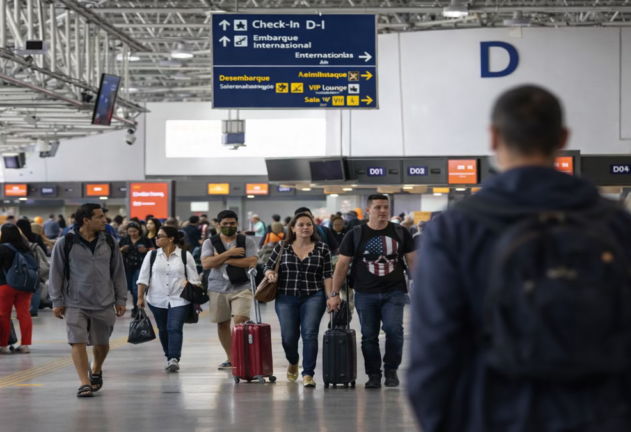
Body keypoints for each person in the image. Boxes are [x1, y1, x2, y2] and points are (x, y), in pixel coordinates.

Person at [408, 86, 631, 432]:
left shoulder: (456, 229)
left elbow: (434, 352)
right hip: (601, 414)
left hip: (492, 413)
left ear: (493, 137)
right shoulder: (615, 224)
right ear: (562, 138)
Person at [330, 194, 417, 389]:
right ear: (368, 210)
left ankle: (391, 370)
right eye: (377, 207)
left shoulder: (400, 232)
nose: (383, 211)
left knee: (394, 330)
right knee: (369, 335)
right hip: (364, 292)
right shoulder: (355, 234)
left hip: (394, 291)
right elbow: (342, 265)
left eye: (385, 207)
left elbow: (413, 261)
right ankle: (374, 374)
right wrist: (334, 294)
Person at [49, 204, 127, 398]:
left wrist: (121, 299)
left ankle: (96, 369)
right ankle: (84, 382)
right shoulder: (65, 242)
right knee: (78, 341)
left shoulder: (109, 242)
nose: (105, 220)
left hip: (104, 301)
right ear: (86, 220)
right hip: (75, 301)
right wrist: (56, 300)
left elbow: (118, 273)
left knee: (102, 343)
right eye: (100, 217)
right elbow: (56, 273)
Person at [264, 213, 332, 387]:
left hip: (313, 296)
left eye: (309, 224)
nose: (305, 228)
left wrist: (331, 296)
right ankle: (293, 361)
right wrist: (270, 274)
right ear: (292, 228)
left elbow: (327, 275)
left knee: (310, 335)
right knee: (288, 337)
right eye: (301, 225)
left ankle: (308, 373)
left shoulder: (322, 248)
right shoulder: (282, 246)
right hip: (286, 297)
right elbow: (268, 266)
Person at [137, 227, 200, 372]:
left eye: (159, 236)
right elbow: (143, 277)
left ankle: (174, 358)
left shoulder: (185, 256)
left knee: (174, 327)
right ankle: (168, 355)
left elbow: (194, 279)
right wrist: (140, 297)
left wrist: (189, 284)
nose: (156, 238)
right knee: (163, 329)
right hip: (156, 299)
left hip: (180, 299)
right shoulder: (152, 255)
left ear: (171, 238)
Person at [201, 210, 258, 369]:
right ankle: (231, 357)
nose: (228, 226)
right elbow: (206, 264)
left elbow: (252, 262)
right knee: (222, 324)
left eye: (232, 223)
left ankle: (241, 355)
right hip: (217, 287)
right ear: (218, 225)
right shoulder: (209, 242)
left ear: (237, 224)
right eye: (225, 224)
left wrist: (221, 258)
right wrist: (231, 253)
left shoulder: (246, 241)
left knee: (240, 322)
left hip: (242, 286)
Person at [0, 224, 36, 353]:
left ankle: (3, 346)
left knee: (3, 316)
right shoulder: (26, 248)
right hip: (24, 285)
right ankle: (25, 345)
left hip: (5, 285)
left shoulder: (2, 248)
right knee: (24, 315)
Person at [119, 222, 154, 318]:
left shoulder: (145, 240)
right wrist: (122, 249)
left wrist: (146, 250)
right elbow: (117, 250)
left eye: (134, 231)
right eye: (130, 231)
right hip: (127, 266)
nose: (132, 233)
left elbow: (153, 250)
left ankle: (136, 308)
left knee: (136, 288)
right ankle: (135, 304)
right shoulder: (124, 240)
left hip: (141, 266)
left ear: (139, 231)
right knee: (129, 287)